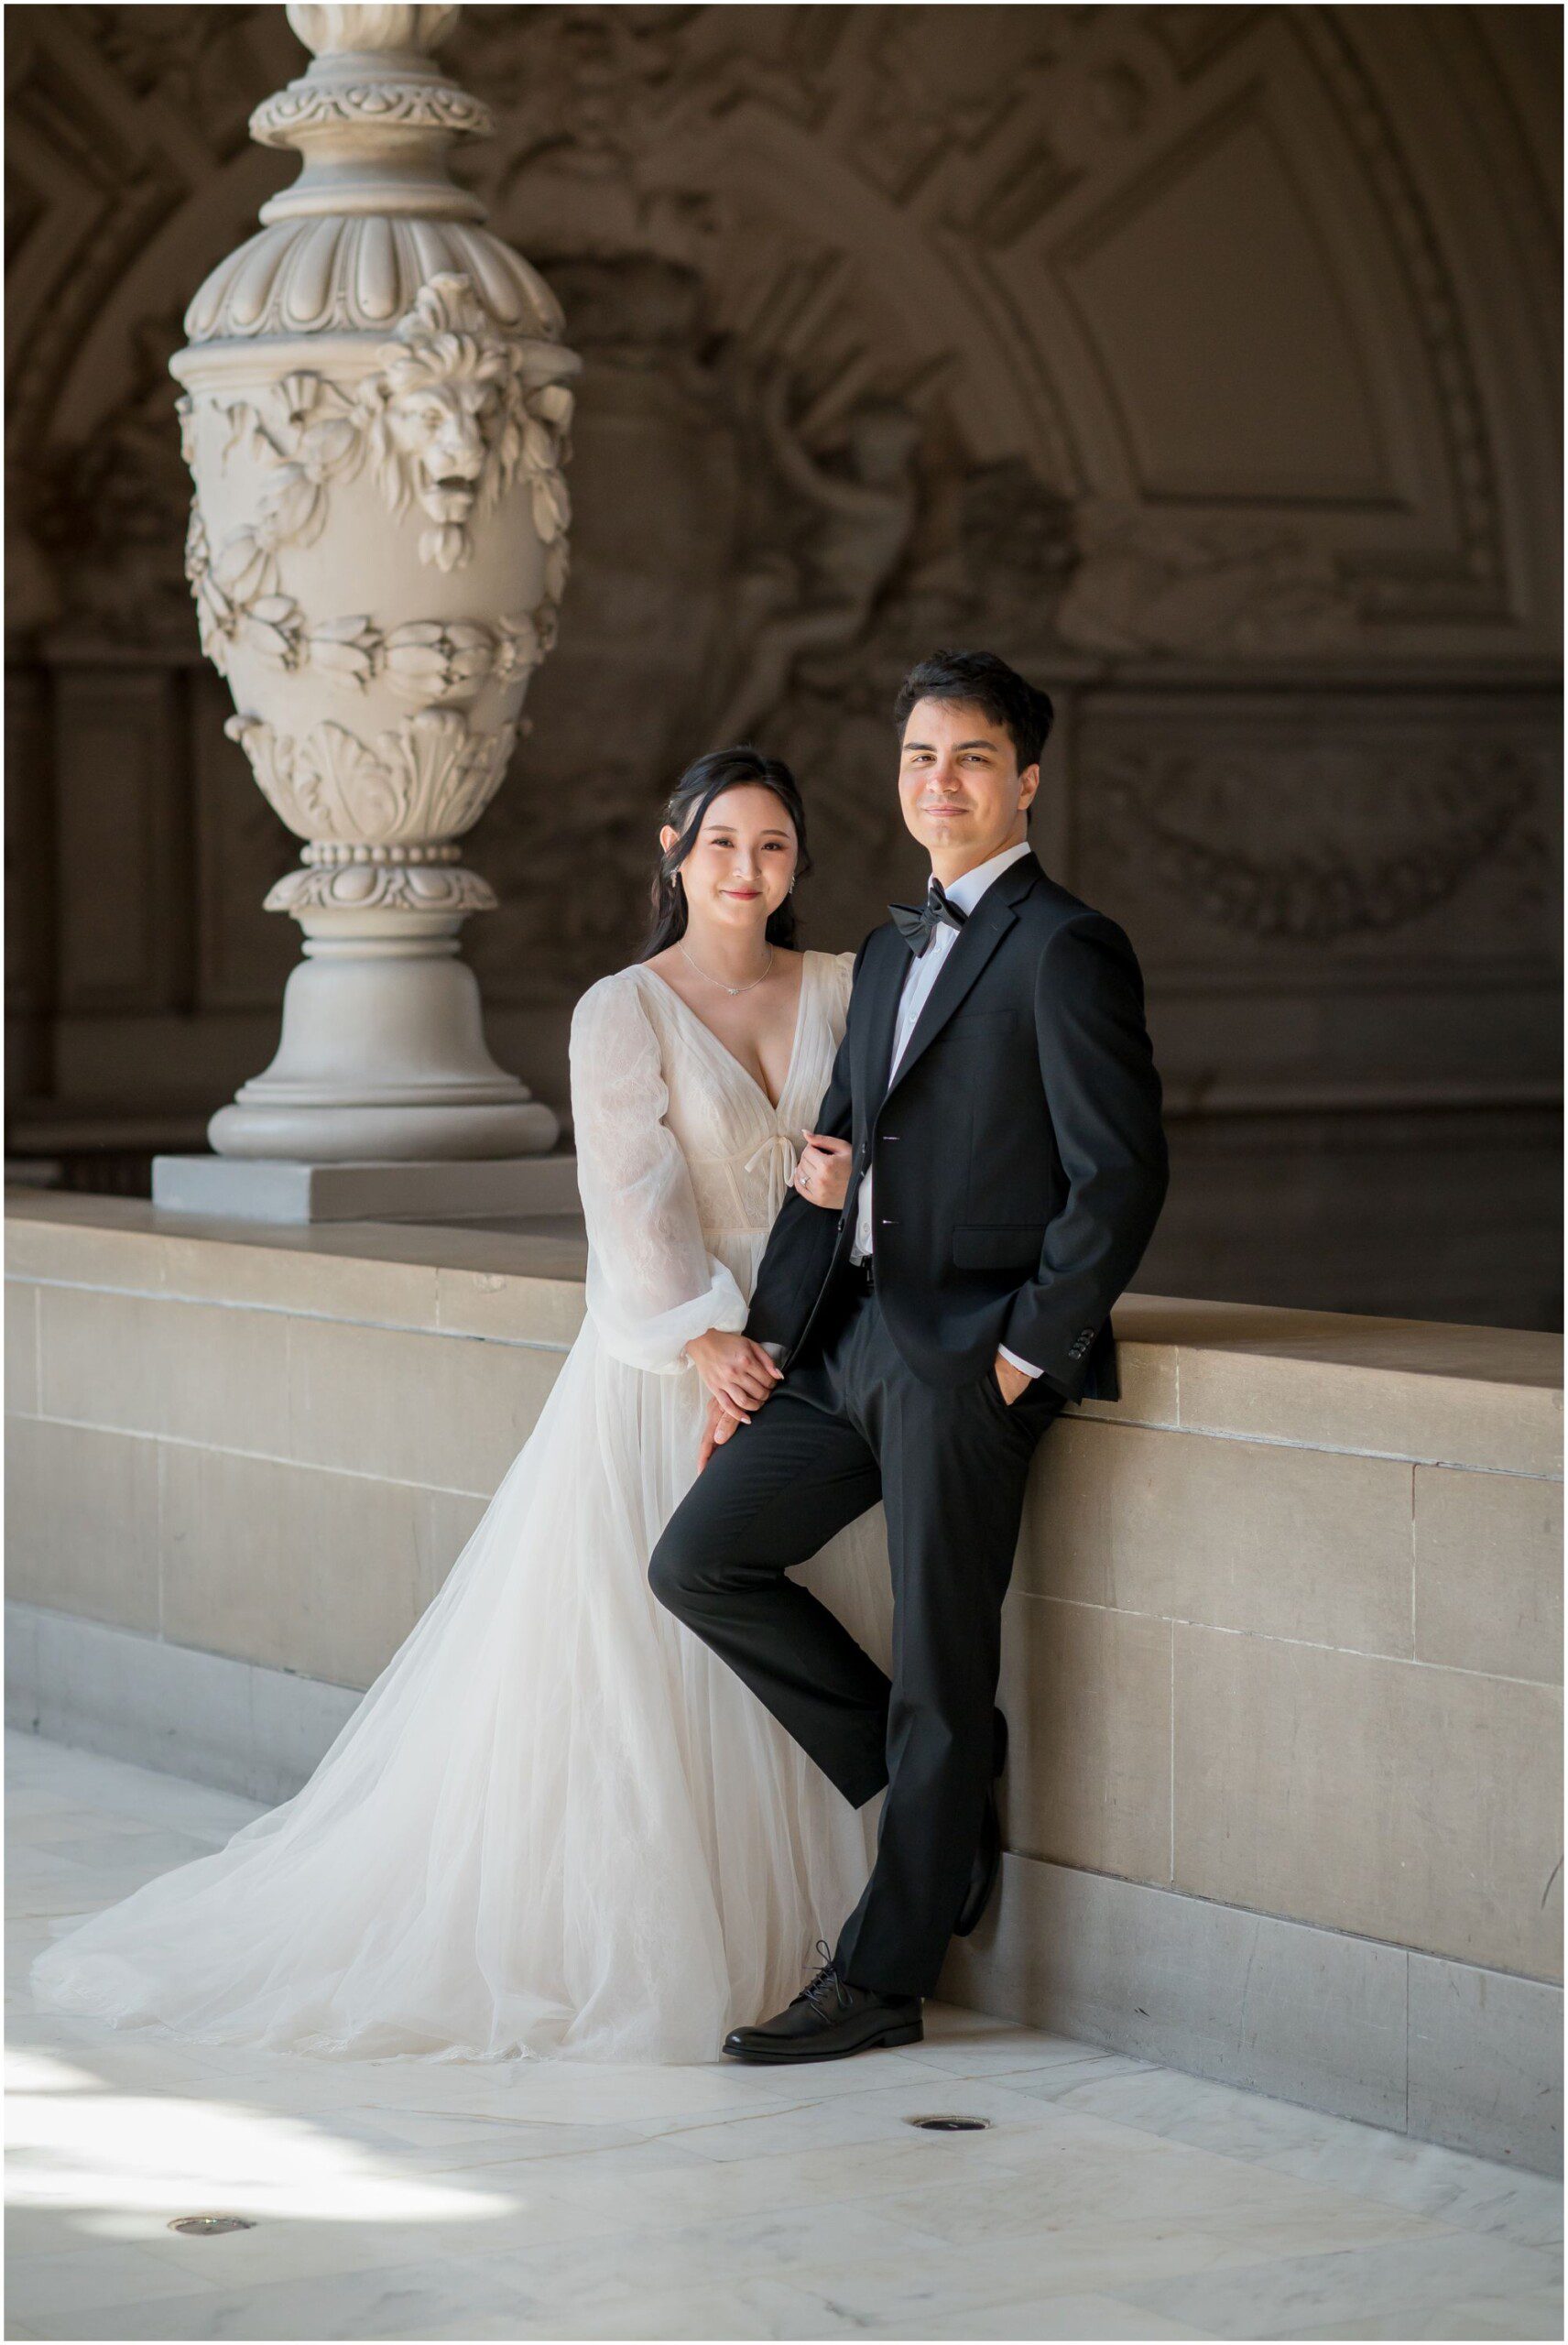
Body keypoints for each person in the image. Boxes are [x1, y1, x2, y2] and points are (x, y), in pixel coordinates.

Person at [29, 749, 890, 2066]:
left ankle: (860, 1929)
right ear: (673, 850)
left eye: (774, 847)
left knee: (805, 1623)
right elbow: (632, 1203)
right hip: (670, 1370)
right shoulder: (624, 1010)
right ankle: (677, 1944)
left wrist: (813, 1291)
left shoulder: (839, 987)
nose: (748, 872)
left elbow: (888, 1157)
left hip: (818, 1362)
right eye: (724, 844)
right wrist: (706, 1342)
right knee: (656, 1674)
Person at [649, 649, 1170, 2063]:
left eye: (973, 759)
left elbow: (1117, 1178)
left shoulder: (1066, 945)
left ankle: (882, 1979)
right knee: (699, 1561)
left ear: (1028, 780)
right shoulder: (886, 949)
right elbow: (837, 1162)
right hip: (849, 1340)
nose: (941, 784)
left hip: (969, 1360)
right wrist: (767, 1348)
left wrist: (1023, 1359)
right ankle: (933, 1784)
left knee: (948, 1668)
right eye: (919, 759)